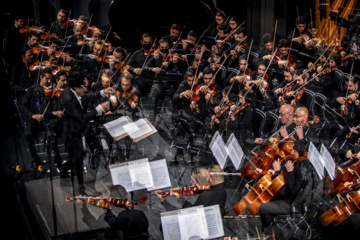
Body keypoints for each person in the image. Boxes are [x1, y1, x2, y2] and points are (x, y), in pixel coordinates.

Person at [60, 71, 111, 194]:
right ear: (76, 87)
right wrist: (100, 109)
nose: (85, 89)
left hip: (78, 128)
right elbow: (81, 117)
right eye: (83, 87)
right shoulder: (68, 98)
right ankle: (80, 186)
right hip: (72, 132)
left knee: (79, 155)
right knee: (77, 157)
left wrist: (101, 93)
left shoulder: (73, 91)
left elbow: (84, 96)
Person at [155, 164, 227, 217]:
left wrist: (164, 200)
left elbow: (190, 211)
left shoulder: (204, 197)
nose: (190, 182)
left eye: (192, 181)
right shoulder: (219, 187)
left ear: (200, 183)